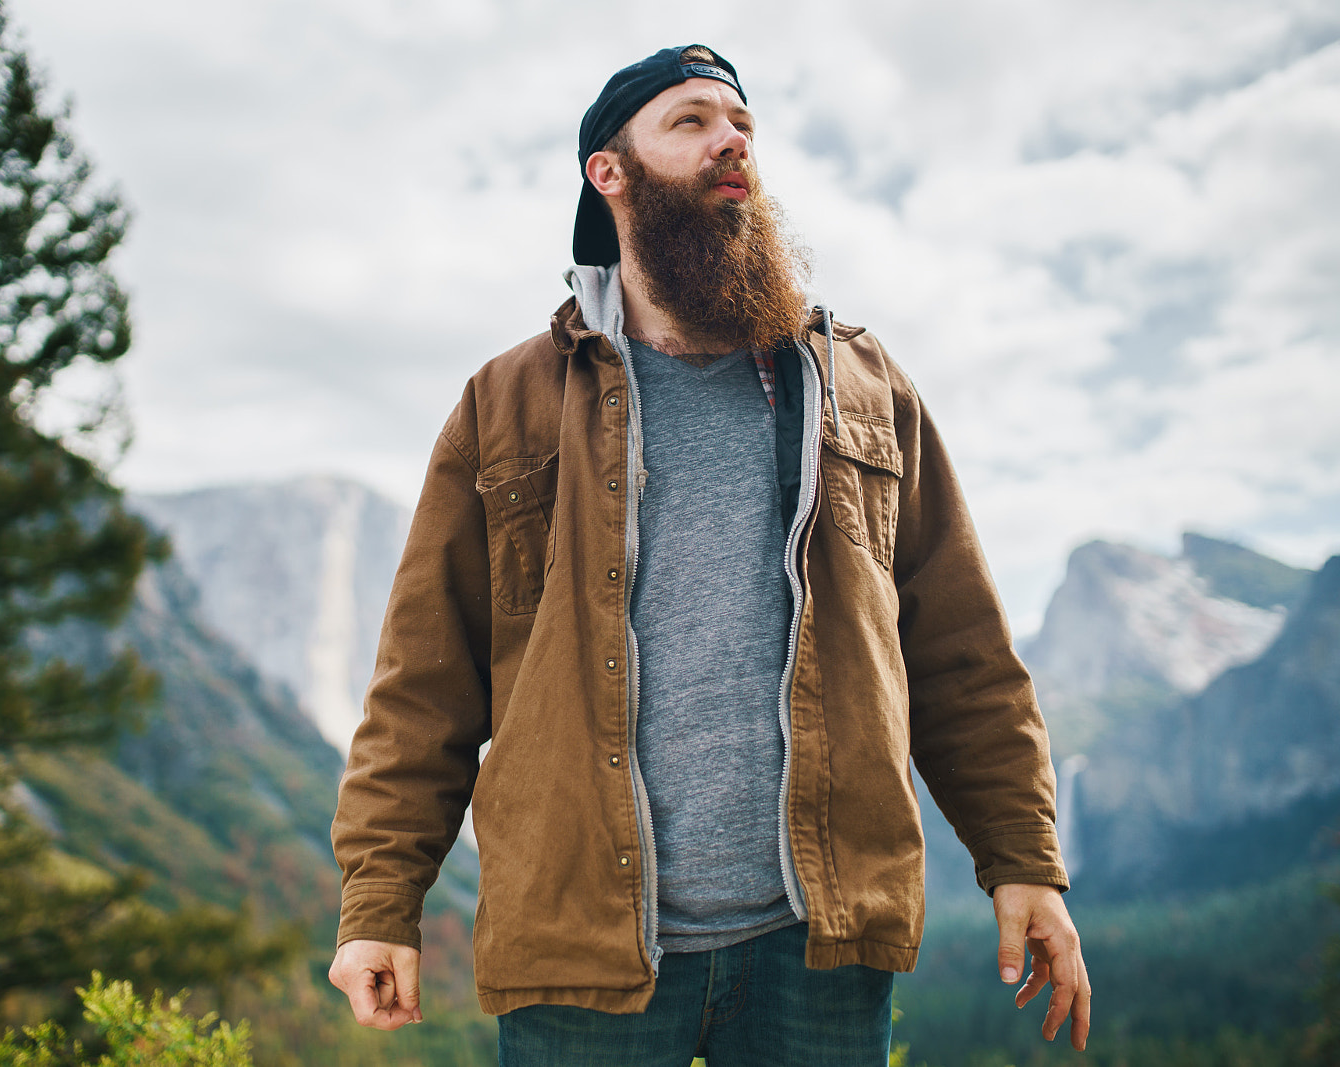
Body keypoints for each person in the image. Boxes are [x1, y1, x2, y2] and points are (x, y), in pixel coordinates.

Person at [329, 44, 1092, 1065]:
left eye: (740, 125)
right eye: (689, 122)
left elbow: (961, 653)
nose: (730, 141)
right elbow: (424, 683)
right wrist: (379, 901)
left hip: (814, 948)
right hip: (584, 959)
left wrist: (1023, 860)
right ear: (611, 172)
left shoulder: (860, 387)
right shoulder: (506, 403)